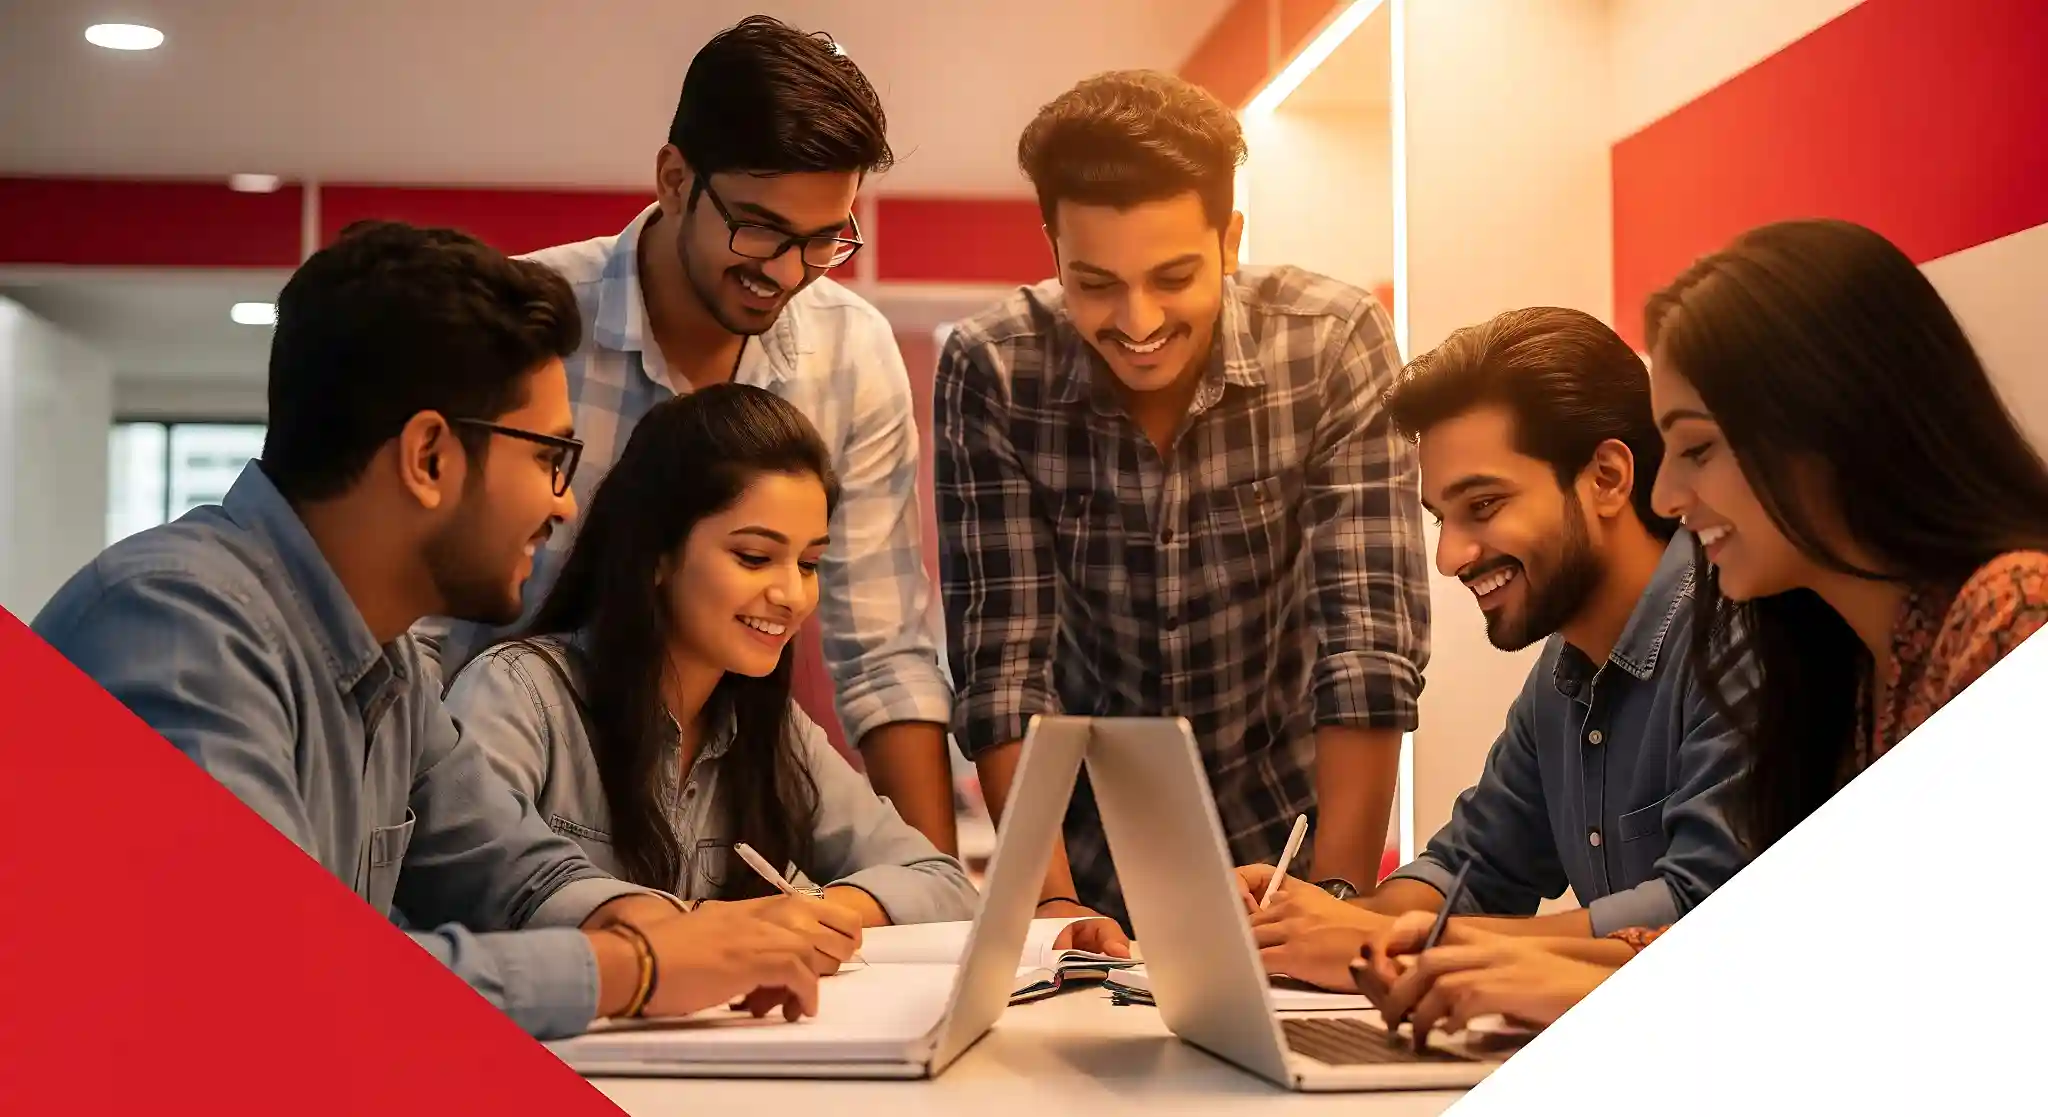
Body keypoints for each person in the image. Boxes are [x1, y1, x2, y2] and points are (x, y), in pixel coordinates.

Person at [31, 221, 825, 1040]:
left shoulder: (390, 660)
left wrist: (668, 928)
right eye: (549, 457)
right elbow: (258, 979)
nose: (564, 503)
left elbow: (512, 867)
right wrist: (636, 968)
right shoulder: (177, 626)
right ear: (429, 457)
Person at [1362, 217, 2048, 1043]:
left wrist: (1543, 974)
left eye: (1696, 449)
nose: (1665, 497)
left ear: (1826, 424)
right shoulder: (1841, 658)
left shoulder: (2011, 615)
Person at [415, 15, 958, 855]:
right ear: (674, 180)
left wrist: (940, 896)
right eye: (759, 227)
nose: (787, 271)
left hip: (709, 827)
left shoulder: (853, 354)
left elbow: (885, 657)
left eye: (824, 240)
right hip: (489, 802)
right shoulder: (525, 322)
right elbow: (417, 624)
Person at [934, 69, 1431, 950]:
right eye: (1095, 283)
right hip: (1084, 849)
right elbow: (1004, 667)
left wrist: (1337, 899)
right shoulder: (994, 368)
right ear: (1054, 249)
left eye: (1173, 277)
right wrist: (1049, 906)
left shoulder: (1332, 341)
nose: (1138, 320)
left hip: (1289, 839)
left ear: (1229, 239)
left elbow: (1365, 645)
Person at [1236, 307, 1749, 990]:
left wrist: (1399, 942)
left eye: (1482, 506)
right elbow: (1468, 872)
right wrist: (1309, 919)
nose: (1450, 557)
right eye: (1441, 519)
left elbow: (1705, 914)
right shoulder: (1562, 672)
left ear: (1606, 477)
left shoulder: (1739, 633)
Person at [442, 383, 977, 963]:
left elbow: (941, 883)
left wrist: (814, 909)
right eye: (754, 557)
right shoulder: (518, 694)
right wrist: (715, 927)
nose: (792, 594)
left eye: (808, 563)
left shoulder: (772, 728)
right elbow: (466, 895)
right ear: (655, 554)